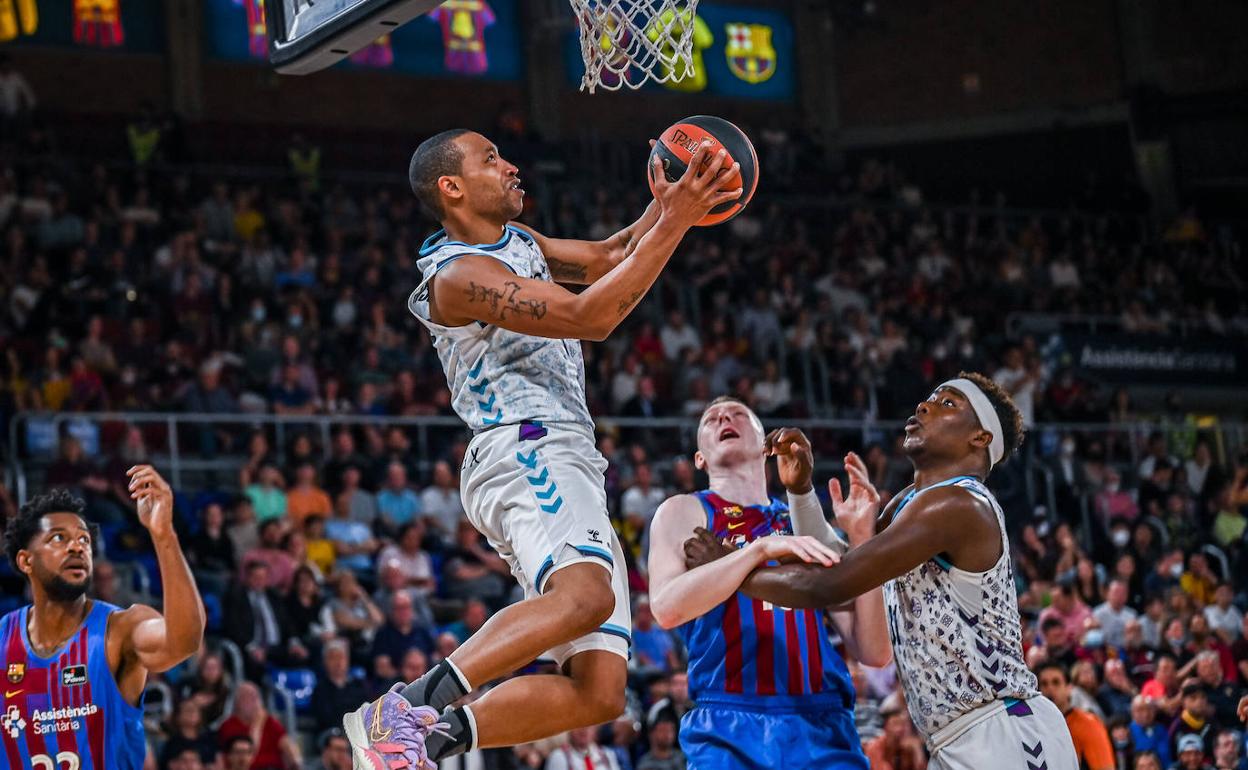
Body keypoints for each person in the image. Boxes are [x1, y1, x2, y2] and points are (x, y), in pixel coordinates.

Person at [343, 128, 740, 767]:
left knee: (600, 691)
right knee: (587, 595)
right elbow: (592, 317)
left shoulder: (520, 244)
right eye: (491, 159)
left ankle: (428, 744)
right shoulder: (458, 277)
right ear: (452, 187)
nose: (511, 167)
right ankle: (403, 712)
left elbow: (611, 258)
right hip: (524, 445)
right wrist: (680, 220)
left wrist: (668, 206)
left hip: (567, 455)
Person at [683, 374, 1079, 769]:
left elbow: (830, 585)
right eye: (927, 398)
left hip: (1005, 730)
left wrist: (730, 565)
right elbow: (844, 567)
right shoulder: (911, 503)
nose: (924, 406)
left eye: (948, 404)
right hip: (955, 738)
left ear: (980, 438)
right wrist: (802, 491)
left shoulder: (958, 504)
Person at [647, 399, 887, 768]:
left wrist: (862, 539)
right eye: (711, 419)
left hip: (821, 719)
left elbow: (873, 650)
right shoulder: (684, 511)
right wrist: (758, 551)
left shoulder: (802, 521)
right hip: (729, 719)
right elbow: (665, 609)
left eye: (738, 414)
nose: (724, 418)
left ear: (766, 445)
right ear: (700, 459)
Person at [0, 471, 206, 770]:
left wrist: (163, 535)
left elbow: (184, 640)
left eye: (84, 539)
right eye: (59, 537)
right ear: (25, 560)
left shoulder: (119, 630)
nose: (77, 547)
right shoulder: (4, 640)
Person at [1038, 663, 1115, 770]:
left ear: (1069, 688)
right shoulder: (1035, 724)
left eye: (1056, 682)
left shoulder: (1088, 723)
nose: (1050, 688)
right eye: (1044, 684)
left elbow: (1106, 767)